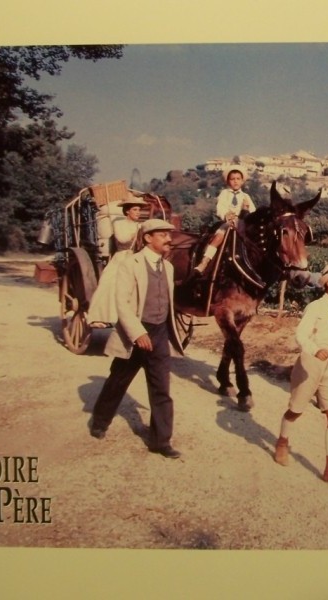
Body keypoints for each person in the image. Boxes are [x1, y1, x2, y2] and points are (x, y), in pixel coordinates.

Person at [89, 218, 185, 459]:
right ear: (147, 238)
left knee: (161, 387)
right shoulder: (130, 264)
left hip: (160, 333)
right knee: (118, 381)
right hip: (133, 334)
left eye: (168, 234)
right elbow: (121, 303)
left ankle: (160, 441)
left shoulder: (169, 268)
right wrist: (138, 333)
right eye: (162, 234)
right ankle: (100, 421)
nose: (168, 239)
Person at [273, 260, 328, 487]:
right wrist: (314, 350)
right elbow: (301, 335)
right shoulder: (316, 308)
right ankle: (282, 442)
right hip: (310, 365)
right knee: (295, 410)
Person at [87, 197, 148, 327]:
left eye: (139, 210)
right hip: (122, 257)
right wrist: (137, 233)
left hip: (137, 257)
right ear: (127, 211)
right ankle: (100, 316)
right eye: (135, 210)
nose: (138, 213)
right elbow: (121, 239)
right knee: (109, 282)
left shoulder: (140, 225)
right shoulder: (118, 224)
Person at [193, 166, 256, 274]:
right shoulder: (224, 194)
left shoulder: (246, 196)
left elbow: (253, 212)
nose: (235, 181)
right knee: (219, 236)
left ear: (242, 181)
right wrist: (226, 214)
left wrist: (246, 211)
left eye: (238, 179)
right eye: (232, 179)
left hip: (242, 225)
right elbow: (220, 207)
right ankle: (205, 261)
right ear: (228, 181)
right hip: (229, 223)